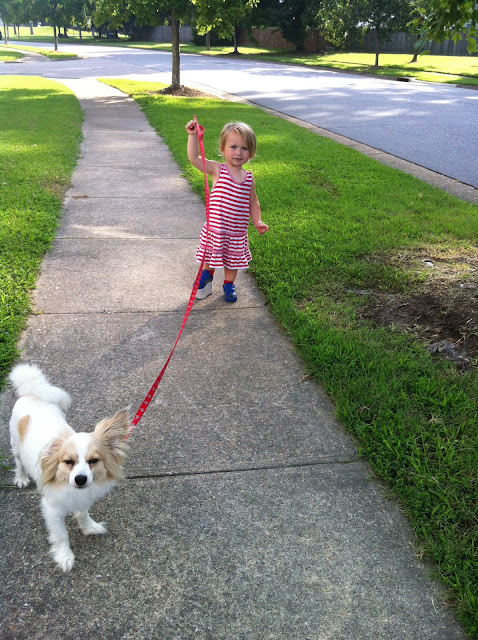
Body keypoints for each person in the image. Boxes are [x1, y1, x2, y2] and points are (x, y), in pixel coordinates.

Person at [185, 119, 268, 303]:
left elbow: (253, 202)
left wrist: (257, 221)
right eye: (233, 147)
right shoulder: (217, 169)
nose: (238, 152)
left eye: (244, 148)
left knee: (233, 262)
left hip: (236, 232)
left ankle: (229, 284)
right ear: (223, 149)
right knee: (210, 256)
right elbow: (194, 159)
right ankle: (207, 277)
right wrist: (193, 136)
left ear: (251, 152)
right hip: (216, 230)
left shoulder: (249, 178)